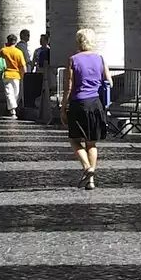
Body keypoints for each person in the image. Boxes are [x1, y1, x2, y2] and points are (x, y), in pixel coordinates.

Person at [61, 27, 110, 189]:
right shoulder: (100, 59)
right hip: (95, 103)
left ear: (78, 41)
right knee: (91, 143)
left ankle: (87, 167)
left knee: (74, 140)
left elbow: (69, 86)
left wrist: (63, 107)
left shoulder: (73, 59)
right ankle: (91, 180)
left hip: (78, 103)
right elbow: (108, 80)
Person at [0, 33, 27, 118]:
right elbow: (23, 65)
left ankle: (12, 110)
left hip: (6, 74)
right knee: (15, 93)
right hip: (16, 75)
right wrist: (25, 74)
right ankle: (13, 109)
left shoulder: (3, 50)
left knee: (9, 92)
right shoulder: (19, 52)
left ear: (8, 41)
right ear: (15, 42)